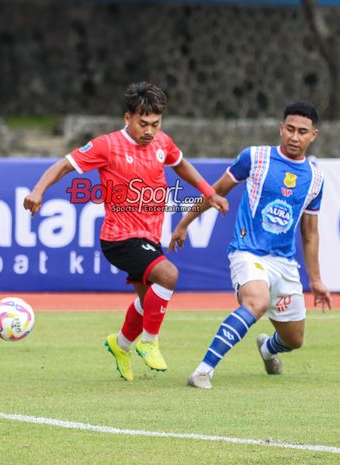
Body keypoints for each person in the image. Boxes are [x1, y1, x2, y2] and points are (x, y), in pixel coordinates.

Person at [23, 81, 228, 381]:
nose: (149, 131)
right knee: (168, 275)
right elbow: (64, 166)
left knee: (148, 302)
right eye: (142, 123)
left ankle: (120, 345)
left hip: (149, 236)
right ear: (127, 118)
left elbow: (181, 165)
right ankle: (149, 342)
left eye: (155, 124)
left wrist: (210, 193)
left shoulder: (162, 143)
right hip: (118, 238)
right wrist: (38, 190)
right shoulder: (107, 145)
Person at [169, 101, 332, 389]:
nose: (295, 137)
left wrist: (316, 280)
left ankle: (269, 349)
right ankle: (203, 371)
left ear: (313, 135)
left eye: (302, 132)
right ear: (280, 128)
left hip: (284, 263)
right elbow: (216, 191)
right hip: (248, 251)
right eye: (290, 129)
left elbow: (310, 233)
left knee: (294, 340)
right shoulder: (254, 157)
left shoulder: (316, 179)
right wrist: (185, 223)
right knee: (257, 302)